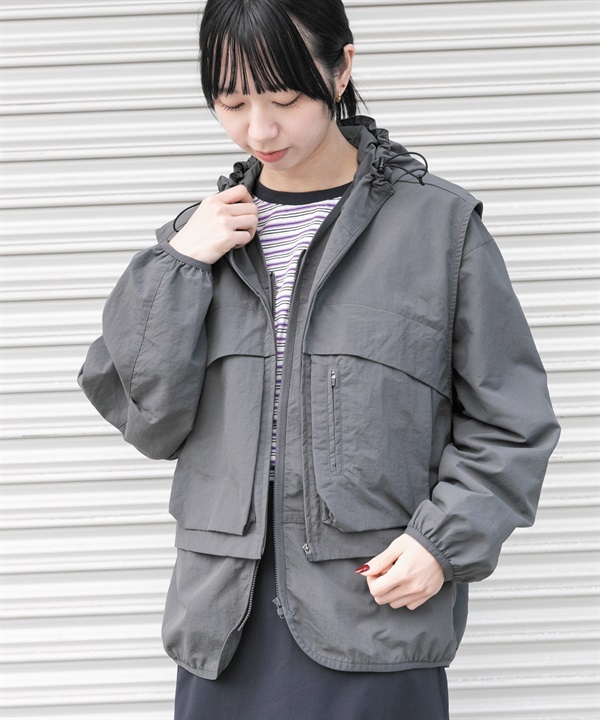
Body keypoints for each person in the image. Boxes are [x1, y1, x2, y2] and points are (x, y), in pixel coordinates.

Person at [77, 1, 561, 718]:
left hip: (373, 616)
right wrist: (179, 264)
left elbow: (512, 422)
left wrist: (441, 543)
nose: (259, 130)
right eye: (232, 102)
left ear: (341, 71)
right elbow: (146, 418)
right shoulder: (197, 242)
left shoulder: (440, 228)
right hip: (224, 626)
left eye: (283, 99)